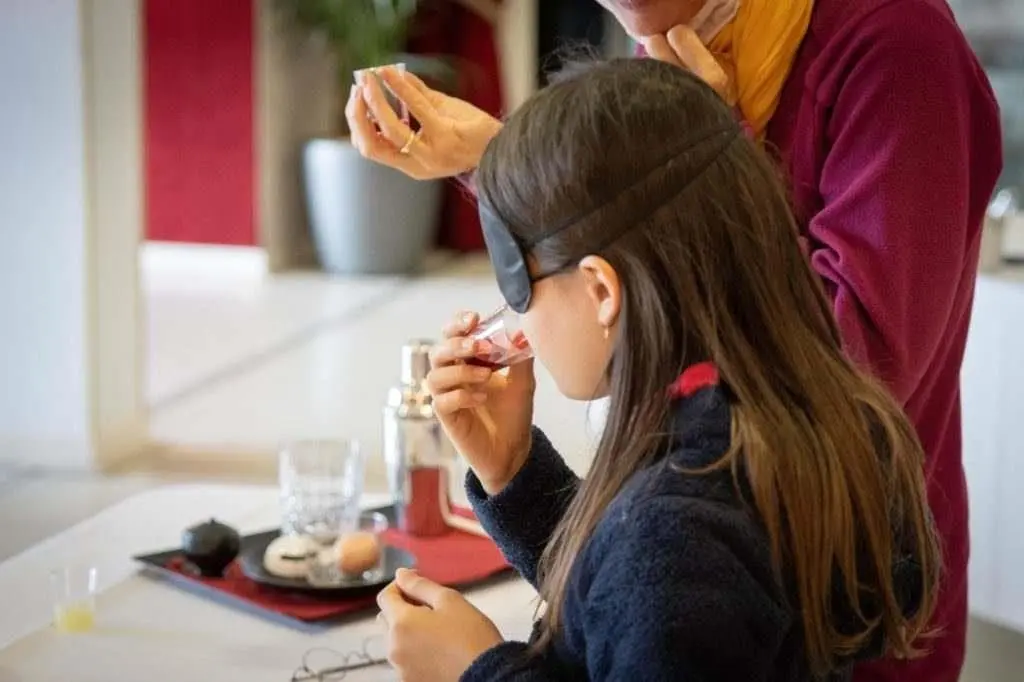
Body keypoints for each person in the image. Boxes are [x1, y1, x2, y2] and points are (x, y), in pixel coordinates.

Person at [349, 2, 1003, 679]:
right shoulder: (679, 519)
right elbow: (639, 602)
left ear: (602, 288)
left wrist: (479, 670)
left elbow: (850, 360)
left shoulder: (890, 42)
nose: (512, 325)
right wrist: (516, 473)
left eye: (520, 275)